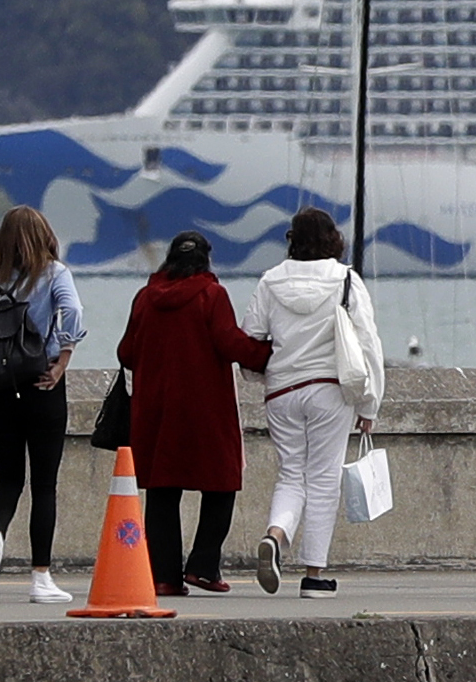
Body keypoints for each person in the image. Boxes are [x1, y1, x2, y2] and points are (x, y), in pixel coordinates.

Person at [117, 228, 271, 596]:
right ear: (206, 259)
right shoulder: (211, 295)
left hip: (156, 410)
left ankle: (164, 576)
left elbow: (126, 353)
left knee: (161, 491)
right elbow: (229, 342)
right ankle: (203, 566)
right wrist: (268, 354)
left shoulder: (145, 297)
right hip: (206, 409)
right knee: (222, 484)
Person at [0, 205, 86, 604]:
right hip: (41, 385)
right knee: (44, 485)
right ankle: (41, 578)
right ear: (43, 234)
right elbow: (74, 312)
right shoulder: (54, 274)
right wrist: (63, 359)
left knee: (8, 479)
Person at [249, 206, 381, 598]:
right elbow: (368, 343)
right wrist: (369, 405)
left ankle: (276, 534)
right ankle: (314, 576)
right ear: (332, 239)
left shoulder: (270, 281)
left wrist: (261, 373)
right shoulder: (345, 280)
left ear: (292, 239)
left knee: (291, 473)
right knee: (323, 480)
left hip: (282, 392)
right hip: (330, 390)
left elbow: (252, 335)